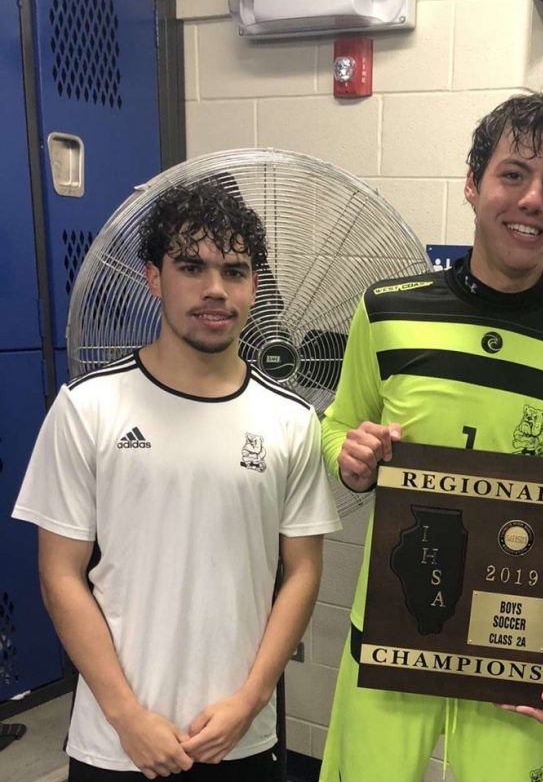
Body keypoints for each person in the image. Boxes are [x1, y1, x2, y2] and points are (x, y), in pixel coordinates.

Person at [318, 90, 543, 782]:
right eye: (513, 174)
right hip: (394, 624)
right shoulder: (389, 312)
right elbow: (339, 424)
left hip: (512, 637)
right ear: (472, 184)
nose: (532, 201)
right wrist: (350, 455)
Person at [12, 179, 341, 780]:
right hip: (117, 742)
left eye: (235, 271)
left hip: (240, 736)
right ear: (153, 277)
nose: (215, 289)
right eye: (192, 266)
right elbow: (59, 573)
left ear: (255, 287)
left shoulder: (291, 421)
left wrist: (250, 700)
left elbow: (303, 571)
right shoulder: (88, 408)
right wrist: (126, 715)